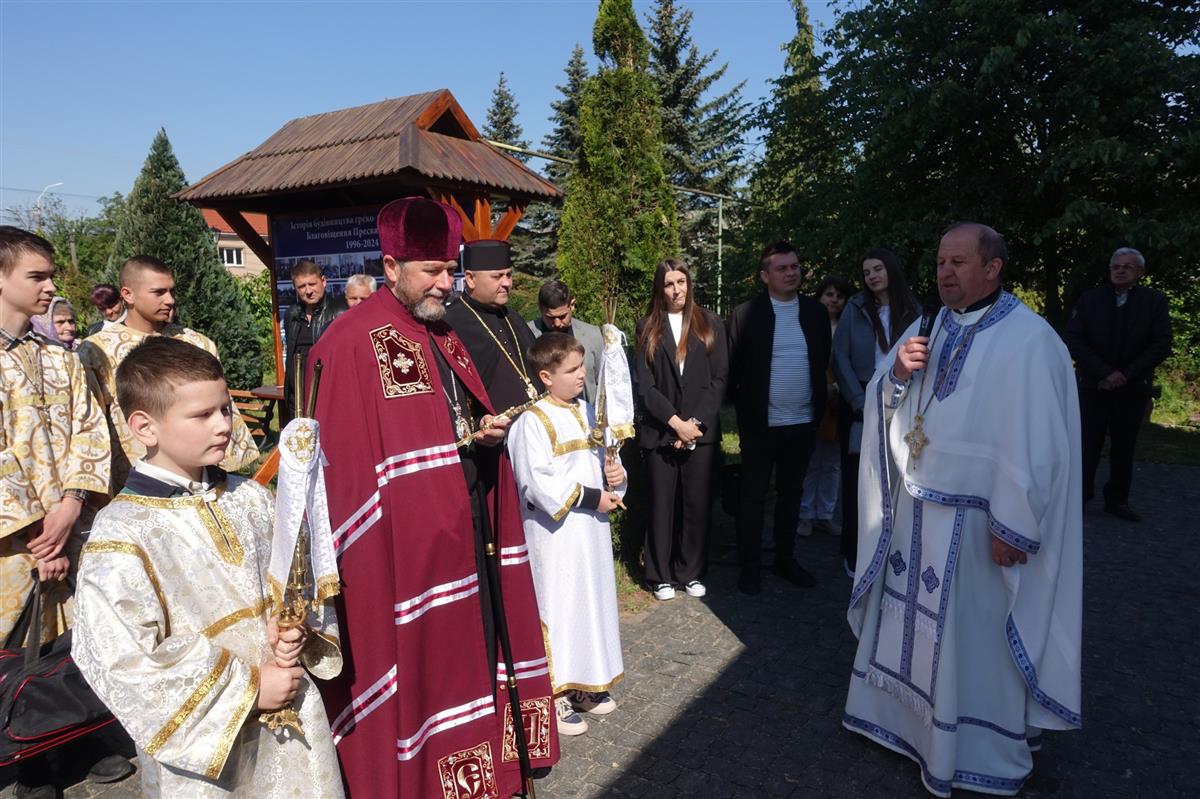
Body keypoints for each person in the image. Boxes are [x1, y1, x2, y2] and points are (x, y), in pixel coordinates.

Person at [307, 198, 558, 798]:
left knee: (474, 658)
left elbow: (445, 421)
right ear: (391, 266)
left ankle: (484, 778)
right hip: (403, 549)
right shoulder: (350, 342)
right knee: (427, 674)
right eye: (433, 270)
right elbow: (346, 474)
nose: (447, 282)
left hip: (469, 525)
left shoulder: (442, 331)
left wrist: (478, 432)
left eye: (450, 268)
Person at [844, 223, 1082, 797]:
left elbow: (1041, 447)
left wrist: (1015, 527)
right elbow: (886, 397)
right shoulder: (930, 324)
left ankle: (973, 745)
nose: (944, 273)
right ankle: (904, 726)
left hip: (982, 526)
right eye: (940, 262)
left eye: (958, 262)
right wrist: (897, 373)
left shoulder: (1031, 340)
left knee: (972, 644)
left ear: (993, 267)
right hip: (916, 512)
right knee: (909, 624)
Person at [73, 336, 343, 799]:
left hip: (293, 714)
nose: (223, 425)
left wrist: (296, 627)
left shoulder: (250, 496)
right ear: (145, 427)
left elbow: (292, 582)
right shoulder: (124, 531)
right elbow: (119, 658)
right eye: (201, 415)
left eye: (224, 409)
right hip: (206, 751)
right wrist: (250, 689)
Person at [0, 227, 130, 799]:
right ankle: (26, 758)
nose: (52, 287)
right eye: (37, 276)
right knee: (18, 651)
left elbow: (89, 430)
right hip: (13, 542)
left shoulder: (59, 357)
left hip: (72, 525)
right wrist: (36, 532)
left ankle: (83, 739)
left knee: (78, 642)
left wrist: (74, 500)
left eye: (51, 274)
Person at [507, 333, 627, 737]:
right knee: (558, 605)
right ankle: (553, 693)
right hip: (554, 536)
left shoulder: (591, 411)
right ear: (545, 376)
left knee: (588, 602)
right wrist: (593, 497)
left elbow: (611, 461)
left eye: (582, 368)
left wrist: (617, 476)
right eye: (572, 370)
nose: (582, 375)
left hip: (590, 534)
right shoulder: (531, 422)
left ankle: (584, 685)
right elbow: (535, 484)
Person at [78, 255, 259, 493]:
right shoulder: (96, 350)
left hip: (200, 477)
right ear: (127, 294)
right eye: (159, 292)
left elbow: (220, 406)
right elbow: (92, 420)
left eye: (171, 291)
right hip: (131, 477)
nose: (170, 300)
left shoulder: (196, 343)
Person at [727, 241, 831, 595]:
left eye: (795, 266)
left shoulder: (815, 314)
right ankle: (750, 566)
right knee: (753, 497)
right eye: (782, 268)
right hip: (760, 426)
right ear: (764, 276)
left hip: (802, 424)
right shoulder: (745, 314)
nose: (791, 273)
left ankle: (785, 559)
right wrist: (743, 412)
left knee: (792, 494)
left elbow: (822, 361)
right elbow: (734, 367)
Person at [634, 259, 727, 601]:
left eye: (682, 282)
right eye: (670, 284)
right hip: (661, 431)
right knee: (661, 504)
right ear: (661, 288)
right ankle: (659, 574)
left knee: (696, 504)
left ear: (690, 285)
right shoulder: (647, 327)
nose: (677, 290)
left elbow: (719, 380)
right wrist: (675, 423)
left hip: (700, 433)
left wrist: (695, 426)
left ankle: (690, 571)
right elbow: (645, 386)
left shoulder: (710, 323)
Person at [1062, 247, 1172, 522]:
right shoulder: (1090, 299)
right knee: (1087, 444)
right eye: (1116, 266)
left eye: (1128, 266)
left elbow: (1161, 343)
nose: (1120, 270)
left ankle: (1117, 500)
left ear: (1140, 272)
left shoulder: (1154, 301)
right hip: (1094, 386)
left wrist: (1125, 374)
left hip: (1133, 387)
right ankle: (1080, 497)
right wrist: (1104, 373)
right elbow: (1074, 339)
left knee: (1124, 446)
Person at [832, 250, 919, 575]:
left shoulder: (913, 310)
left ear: (891, 270)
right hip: (859, 406)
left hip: (902, 404)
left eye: (877, 269)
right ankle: (854, 554)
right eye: (866, 271)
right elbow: (840, 358)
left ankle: (892, 554)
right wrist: (860, 402)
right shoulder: (854, 308)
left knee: (897, 481)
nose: (872, 276)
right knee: (858, 481)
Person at [445, 239, 541, 413]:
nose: (507, 283)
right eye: (497, 276)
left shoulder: (513, 318)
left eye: (509, 275)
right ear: (470, 279)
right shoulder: (450, 324)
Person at [799, 275, 852, 539]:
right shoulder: (807, 323)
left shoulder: (848, 326)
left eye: (839, 296)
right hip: (810, 399)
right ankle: (805, 514)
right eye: (829, 294)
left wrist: (839, 390)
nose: (833, 300)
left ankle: (825, 515)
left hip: (838, 401)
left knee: (831, 463)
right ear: (819, 296)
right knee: (809, 460)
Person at [283, 259, 347, 422]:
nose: (308, 291)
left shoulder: (340, 313)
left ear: (324, 281)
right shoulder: (292, 315)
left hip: (326, 398)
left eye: (312, 284)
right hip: (297, 400)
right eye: (302, 287)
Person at [528, 279, 604, 403]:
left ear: (572, 305)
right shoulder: (527, 334)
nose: (557, 323)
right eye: (550, 318)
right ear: (540, 309)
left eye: (562, 316)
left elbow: (601, 380)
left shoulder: (593, 334)